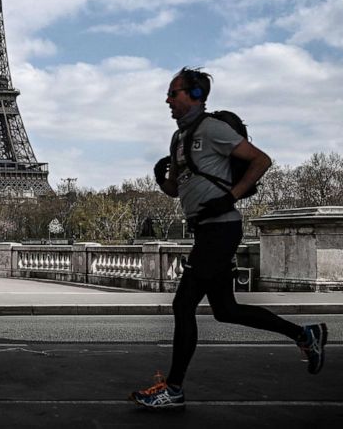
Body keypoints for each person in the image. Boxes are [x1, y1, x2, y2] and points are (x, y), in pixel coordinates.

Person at [129, 68, 327, 411]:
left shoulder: (214, 129)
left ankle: (173, 389)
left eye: (173, 93)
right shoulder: (178, 139)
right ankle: (303, 334)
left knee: (183, 304)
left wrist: (231, 196)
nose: (168, 99)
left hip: (221, 228)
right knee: (226, 310)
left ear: (195, 94)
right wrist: (160, 178)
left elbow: (261, 160)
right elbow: (177, 190)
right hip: (206, 229)